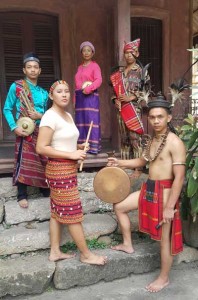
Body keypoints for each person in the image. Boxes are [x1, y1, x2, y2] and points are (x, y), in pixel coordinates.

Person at [107, 95, 186, 292]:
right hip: (150, 188)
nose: (156, 121)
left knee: (164, 241)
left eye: (160, 117)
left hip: (166, 192)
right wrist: (120, 163)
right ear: (148, 119)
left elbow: (179, 178)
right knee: (120, 207)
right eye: (152, 117)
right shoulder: (152, 140)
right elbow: (142, 162)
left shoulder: (175, 142)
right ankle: (127, 244)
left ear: (168, 118)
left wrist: (169, 208)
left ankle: (164, 277)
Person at [36, 80, 107, 265]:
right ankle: (86, 254)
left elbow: (61, 141)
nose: (64, 94)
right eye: (59, 91)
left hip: (67, 168)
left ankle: (54, 251)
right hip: (59, 170)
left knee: (56, 211)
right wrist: (71, 154)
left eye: (67, 91)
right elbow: (41, 148)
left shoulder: (67, 115)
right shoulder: (49, 117)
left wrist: (79, 146)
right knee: (72, 212)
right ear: (51, 95)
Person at [3, 52, 49, 208]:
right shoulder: (17, 87)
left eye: (36, 67)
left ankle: (45, 189)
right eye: (29, 67)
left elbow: (49, 114)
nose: (33, 70)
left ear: (40, 70)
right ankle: (22, 194)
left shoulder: (44, 93)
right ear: (24, 70)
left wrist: (40, 115)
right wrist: (14, 127)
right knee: (24, 160)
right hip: (24, 130)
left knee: (43, 158)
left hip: (41, 129)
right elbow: (7, 108)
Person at [110, 38, 150, 177]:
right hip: (121, 110)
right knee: (124, 138)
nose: (128, 55)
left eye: (131, 52)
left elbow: (147, 91)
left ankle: (138, 168)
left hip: (134, 109)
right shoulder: (119, 73)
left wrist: (131, 97)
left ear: (137, 54)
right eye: (126, 53)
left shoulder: (141, 71)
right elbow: (113, 93)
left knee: (135, 138)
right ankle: (125, 165)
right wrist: (115, 100)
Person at [74, 41, 102, 154]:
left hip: (90, 97)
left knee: (91, 120)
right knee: (81, 121)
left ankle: (93, 147)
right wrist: (74, 100)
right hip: (80, 98)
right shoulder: (79, 67)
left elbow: (99, 80)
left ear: (92, 53)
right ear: (81, 52)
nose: (86, 53)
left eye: (88, 50)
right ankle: (82, 147)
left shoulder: (95, 66)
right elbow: (76, 85)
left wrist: (89, 89)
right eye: (84, 50)